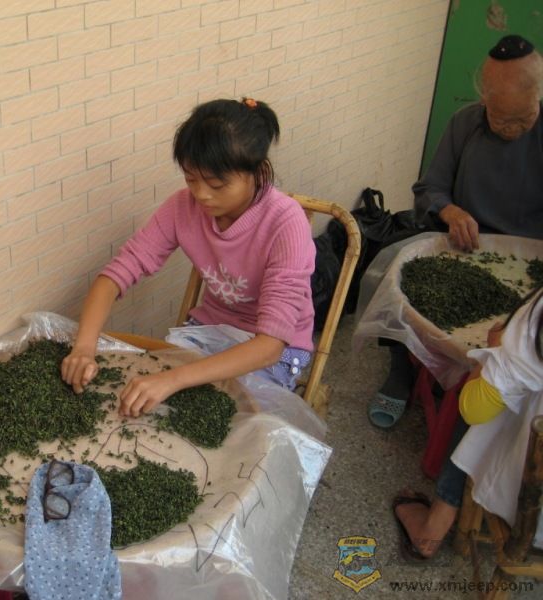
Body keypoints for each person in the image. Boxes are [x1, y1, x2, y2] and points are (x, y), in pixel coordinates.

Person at [61, 98, 316, 417]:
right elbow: (116, 275)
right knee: (147, 406)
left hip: (273, 349)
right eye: (191, 179)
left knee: (228, 418)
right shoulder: (182, 207)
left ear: (259, 172)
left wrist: (173, 379)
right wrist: (85, 347)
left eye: (217, 184)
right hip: (209, 329)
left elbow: (270, 345)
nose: (201, 195)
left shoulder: (286, 223)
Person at [368, 34, 543, 429]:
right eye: (502, 119)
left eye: (525, 118)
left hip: (530, 262)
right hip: (463, 247)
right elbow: (428, 189)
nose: (514, 129)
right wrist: (449, 210)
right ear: (484, 102)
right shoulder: (465, 123)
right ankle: (400, 370)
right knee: (392, 262)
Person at [392, 284, 543, 559]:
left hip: (532, 506)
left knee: (488, 393)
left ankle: (432, 527)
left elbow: (474, 410)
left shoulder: (537, 319)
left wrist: (495, 351)